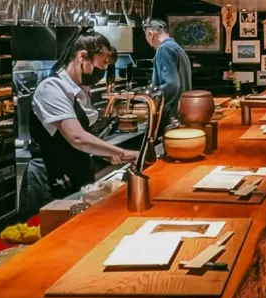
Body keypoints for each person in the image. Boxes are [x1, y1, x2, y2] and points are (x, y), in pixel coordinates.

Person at [18, 29, 138, 220]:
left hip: (76, 175)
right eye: (101, 66)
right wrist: (121, 152)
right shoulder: (52, 88)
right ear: (83, 56)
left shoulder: (80, 89)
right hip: (51, 180)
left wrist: (103, 153)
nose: (102, 73)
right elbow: (76, 137)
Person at [144, 19, 192, 130]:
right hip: (182, 110)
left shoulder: (163, 49)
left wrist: (160, 107)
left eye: (147, 38)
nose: (149, 43)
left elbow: (170, 84)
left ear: (151, 34)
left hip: (171, 114)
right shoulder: (177, 48)